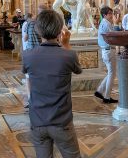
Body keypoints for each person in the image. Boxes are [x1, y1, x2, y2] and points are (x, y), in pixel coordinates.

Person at [23, 9, 83, 158]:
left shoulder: (28, 56)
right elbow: (78, 70)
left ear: (38, 31)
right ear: (60, 30)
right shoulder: (68, 55)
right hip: (61, 121)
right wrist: (66, 44)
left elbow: (29, 79)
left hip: (37, 120)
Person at [94, 6, 119, 104]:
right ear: (104, 15)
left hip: (106, 50)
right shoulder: (106, 24)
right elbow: (112, 36)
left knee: (110, 73)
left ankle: (100, 91)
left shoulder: (105, 23)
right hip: (108, 50)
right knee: (112, 74)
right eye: (110, 13)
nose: (111, 15)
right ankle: (107, 97)